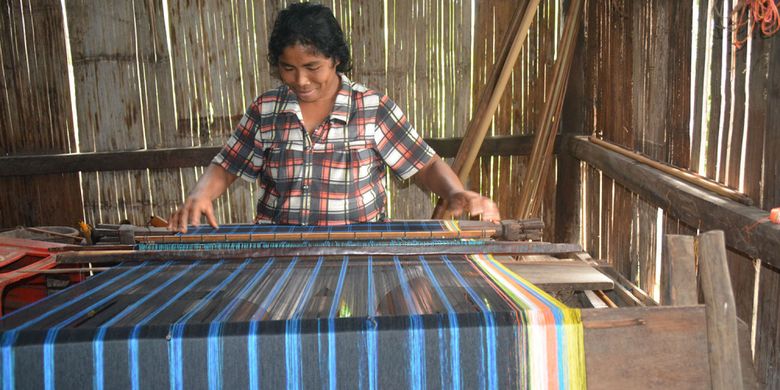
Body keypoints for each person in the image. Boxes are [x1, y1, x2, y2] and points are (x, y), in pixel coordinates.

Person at [168, 2, 499, 233]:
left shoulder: (371, 107)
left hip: (360, 248)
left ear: (336, 59)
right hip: (280, 250)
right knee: (260, 326)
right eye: (288, 68)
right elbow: (227, 165)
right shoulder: (266, 110)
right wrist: (200, 195)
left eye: (312, 68)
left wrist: (456, 193)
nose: (300, 80)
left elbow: (424, 165)